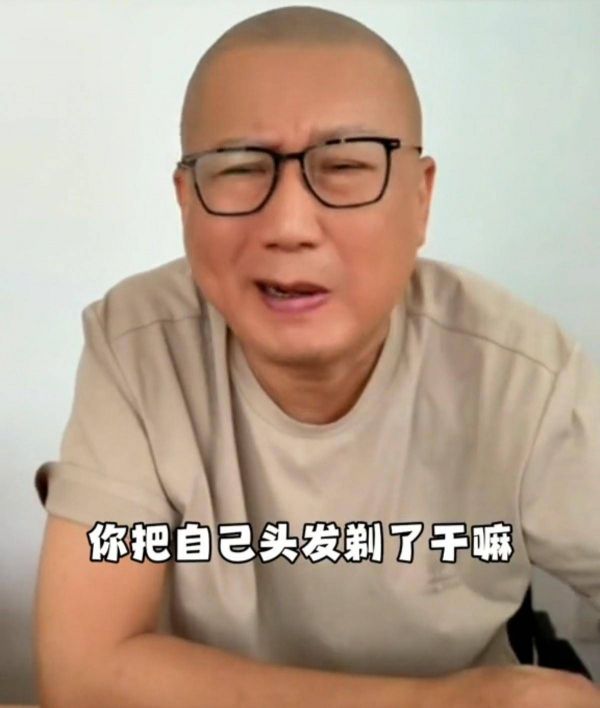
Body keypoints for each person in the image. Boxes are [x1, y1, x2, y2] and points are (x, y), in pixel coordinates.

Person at [34, 5, 600, 707]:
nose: (290, 225)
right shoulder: (138, 346)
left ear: (420, 199)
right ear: (186, 202)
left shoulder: (521, 375)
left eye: (346, 166)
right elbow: (84, 673)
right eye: (241, 168)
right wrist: (439, 703)